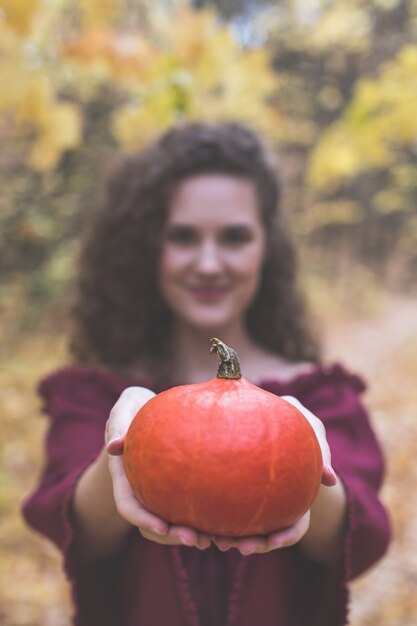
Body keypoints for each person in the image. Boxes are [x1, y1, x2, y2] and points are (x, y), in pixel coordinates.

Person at [22, 121, 391, 626]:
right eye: (183, 237)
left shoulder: (318, 396)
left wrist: (303, 460)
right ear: (147, 248)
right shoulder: (96, 395)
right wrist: (125, 457)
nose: (210, 263)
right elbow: (73, 531)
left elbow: (358, 542)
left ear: (268, 248)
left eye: (235, 237)